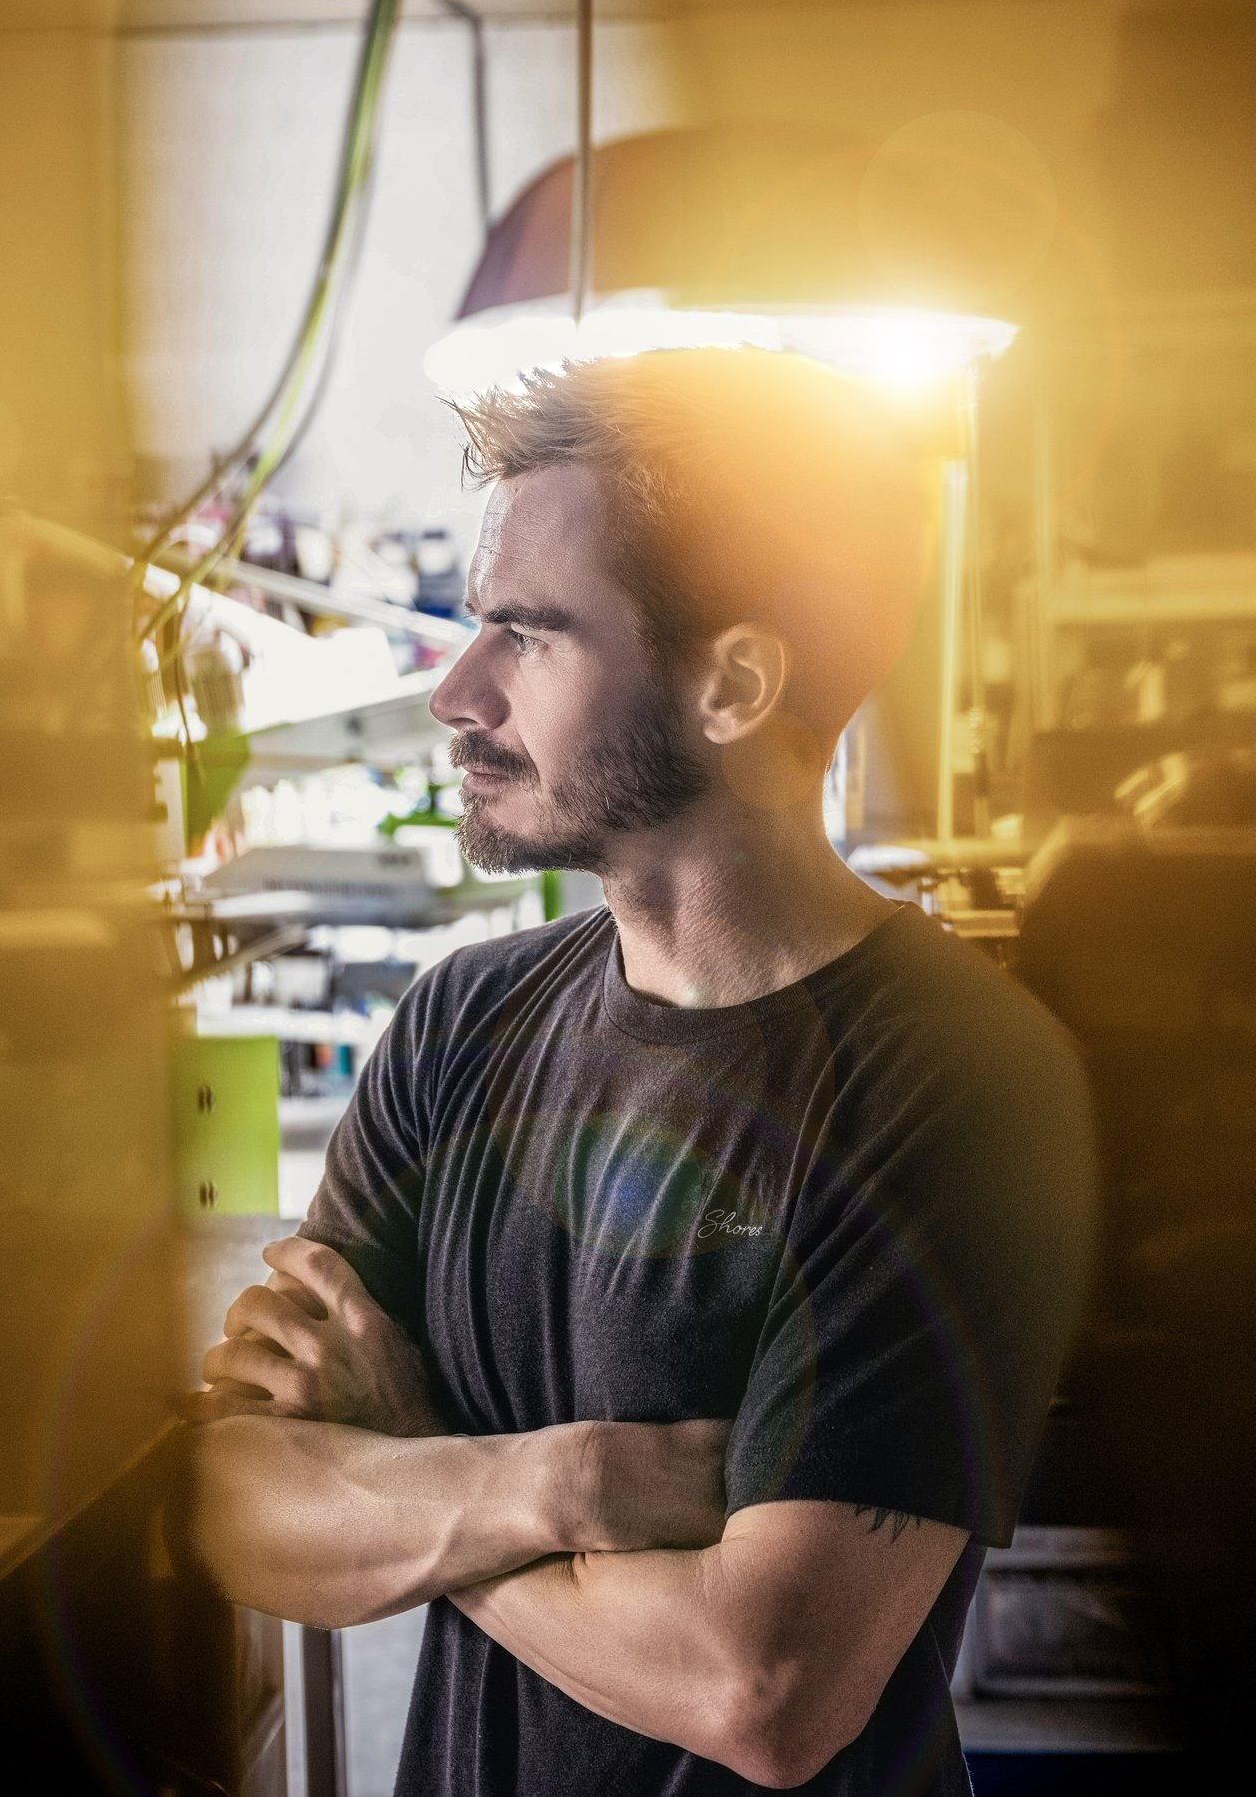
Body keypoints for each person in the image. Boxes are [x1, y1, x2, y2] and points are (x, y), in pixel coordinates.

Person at [184, 348, 1095, 1796]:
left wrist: (413, 1463)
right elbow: (232, 1504)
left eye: (525, 636)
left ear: (733, 684)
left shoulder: (955, 1085)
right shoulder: (459, 1029)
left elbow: (761, 1689)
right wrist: (556, 1484)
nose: (456, 691)